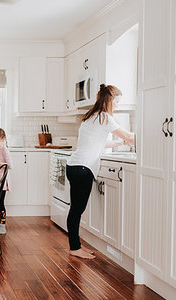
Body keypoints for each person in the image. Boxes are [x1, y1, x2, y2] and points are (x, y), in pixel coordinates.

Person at [66, 84, 134, 259]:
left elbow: (99, 143)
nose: (118, 105)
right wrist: (148, 137)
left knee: (75, 209)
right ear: (110, 100)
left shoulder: (91, 117)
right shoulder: (105, 117)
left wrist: (119, 144)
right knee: (76, 210)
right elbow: (129, 136)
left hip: (74, 166)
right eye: (117, 102)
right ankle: (75, 248)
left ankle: (76, 246)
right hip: (83, 169)